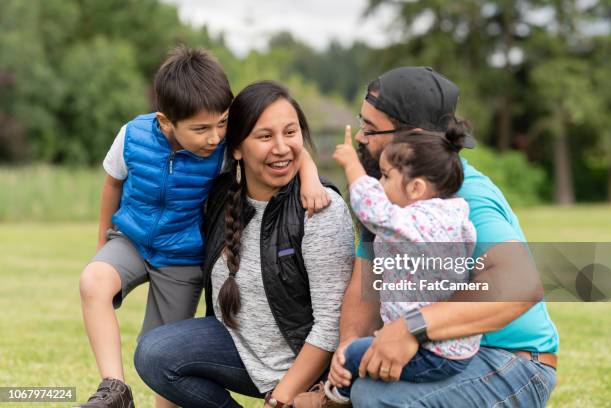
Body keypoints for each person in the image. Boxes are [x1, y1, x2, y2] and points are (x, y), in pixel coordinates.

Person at [77, 48, 331, 408]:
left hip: (181, 257)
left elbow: (285, 145)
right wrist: (103, 242)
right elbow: (112, 184)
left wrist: (311, 180)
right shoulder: (132, 136)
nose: (214, 137)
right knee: (93, 281)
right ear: (166, 122)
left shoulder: (223, 147)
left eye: (222, 123)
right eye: (201, 129)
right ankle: (114, 388)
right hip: (131, 240)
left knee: (161, 355)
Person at [296, 66, 559, 408]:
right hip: (441, 355)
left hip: (513, 364)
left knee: (374, 397)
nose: (361, 138)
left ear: (412, 137)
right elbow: (367, 290)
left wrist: (413, 328)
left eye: (371, 129)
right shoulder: (389, 195)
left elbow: (521, 284)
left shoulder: (465, 195)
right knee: (361, 388)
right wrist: (346, 356)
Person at [133, 80, 355, 408]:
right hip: (239, 350)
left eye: (290, 133)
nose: (281, 147)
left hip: (304, 366)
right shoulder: (219, 195)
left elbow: (330, 323)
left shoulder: (318, 208)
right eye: (265, 136)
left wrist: (280, 399)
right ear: (236, 147)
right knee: (155, 353)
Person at [312, 123, 480, 406]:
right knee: (362, 355)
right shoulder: (447, 215)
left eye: (386, 176)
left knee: (350, 356)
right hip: (446, 346)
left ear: (416, 188)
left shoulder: (426, 222)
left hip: (435, 352)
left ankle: (335, 397)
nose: (379, 185)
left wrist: (353, 166)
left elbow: (374, 211)